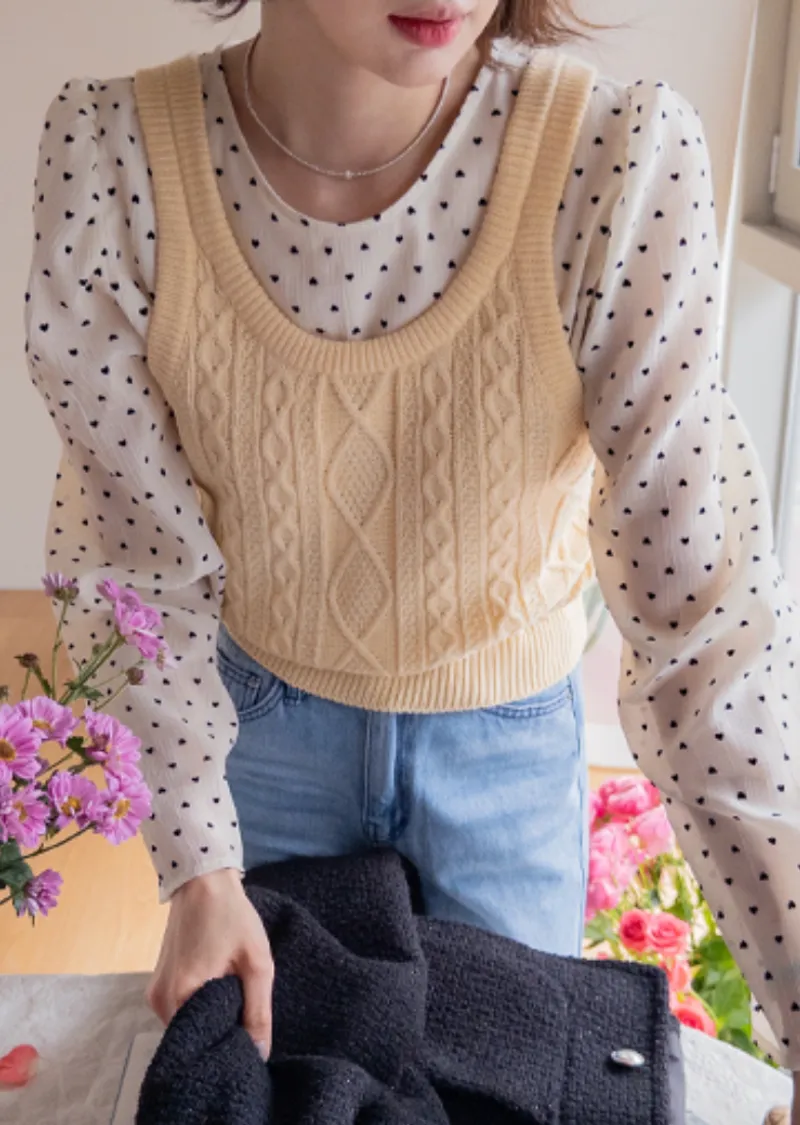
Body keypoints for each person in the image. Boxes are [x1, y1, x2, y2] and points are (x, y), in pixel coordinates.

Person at [23, 0, 800, 1114]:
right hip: (255, 743)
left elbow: (706, 632)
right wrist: (197, 866)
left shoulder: (615, 156)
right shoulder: (117, 155)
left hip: (506, 758)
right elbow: (134, 564)